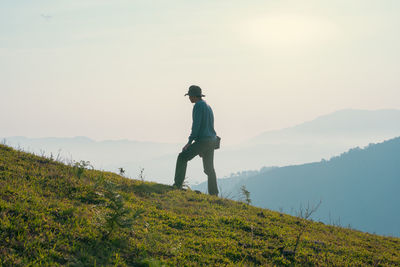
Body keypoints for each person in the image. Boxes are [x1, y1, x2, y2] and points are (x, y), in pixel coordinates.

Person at [173, 85, 219, 196]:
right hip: (212, 140)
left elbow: (196, 125)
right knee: (209, 169)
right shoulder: (207, 106)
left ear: (194, 96)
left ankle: (177, 185)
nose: (189, 98)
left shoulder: (198, 106)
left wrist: (189, 142)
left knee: (182, 157)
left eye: (190, 96)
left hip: (203, 140)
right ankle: (214, 194)